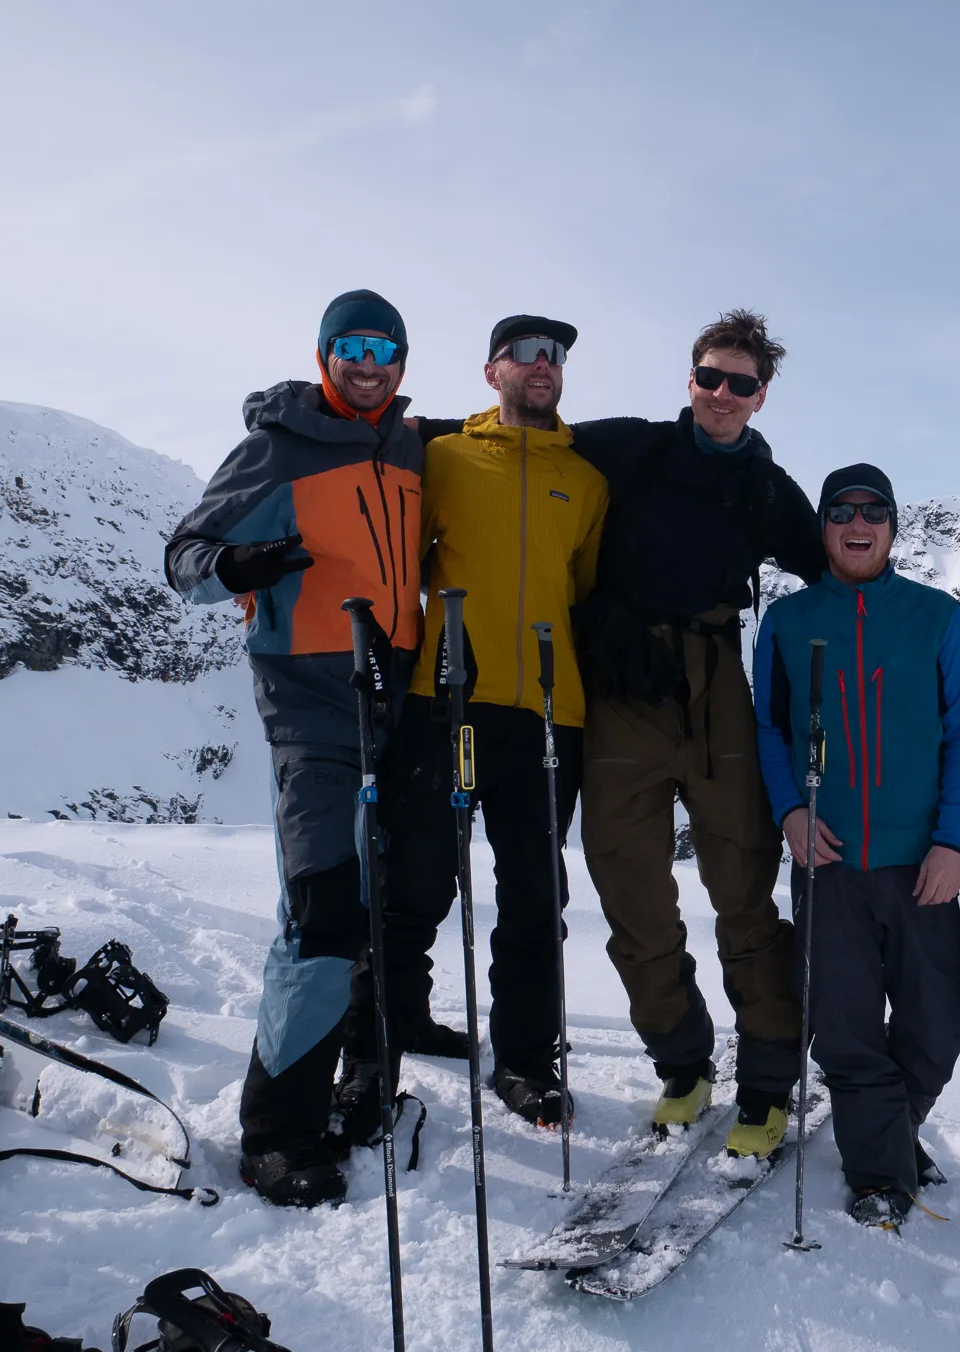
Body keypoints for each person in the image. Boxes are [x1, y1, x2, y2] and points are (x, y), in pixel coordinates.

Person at [164, 289, 423, 1206]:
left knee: (385, 908)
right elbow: (184, 558)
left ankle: (363, 1084)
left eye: (384, 349)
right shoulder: (276, 447)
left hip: (394, 709)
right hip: (312, 710)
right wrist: (234, 566)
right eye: (351, 347)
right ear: (325, 355)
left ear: (401, 362)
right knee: (319, 913)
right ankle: (276, 1136)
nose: (367, 364)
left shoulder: (409, 447)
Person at [343, 315, 608, 1130]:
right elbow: (402, 561)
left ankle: (524, 1062)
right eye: (524, 352)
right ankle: (374, 1058)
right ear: (493, 370)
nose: (542, 363)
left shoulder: (585, 482)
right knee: (414, 887)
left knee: (534, 897)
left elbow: (582, 590)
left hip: (548, 715)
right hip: (446, 702)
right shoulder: (447, 458)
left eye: (554, 353)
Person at [569, 310, 824, 1157]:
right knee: (632, 896)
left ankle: (766, 1083)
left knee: (745, 895)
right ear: (690, 380)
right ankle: (683, 1064)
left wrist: (939, 615)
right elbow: (523, 447)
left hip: (716, 689)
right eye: (710, 377)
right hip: (624, 688)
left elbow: (840, 568)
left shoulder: (767, 488)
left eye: (739, 383)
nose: (722, 393)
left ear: (760, 396)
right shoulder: (631, 448)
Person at [753, 464, 960, 1230]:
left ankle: (886, 1131)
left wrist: (952, 842)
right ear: (823, 526)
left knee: (940, 1016)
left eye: (874, 510)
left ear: (892, 527)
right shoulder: (787, 622)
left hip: (922, 861)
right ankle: (879, 1169)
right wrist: (789, 810)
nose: (859, 523)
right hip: (829, 858)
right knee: (847, 1025)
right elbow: (770, 727)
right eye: (842, 511)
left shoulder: (935, 615)